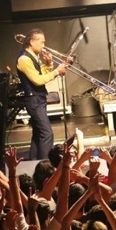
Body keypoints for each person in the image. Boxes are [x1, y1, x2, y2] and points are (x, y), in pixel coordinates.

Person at [16, 29, 67, 160]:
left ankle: (35, 162)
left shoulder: (33, 56)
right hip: (34, 100)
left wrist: (49, 64)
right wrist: (56, 71)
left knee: (38, 134)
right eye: (41, 42)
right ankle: (46, 163)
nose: (44, 46)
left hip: (39, 99)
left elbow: (42, 73)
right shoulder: (24, 59)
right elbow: (37, 80)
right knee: (47, 133)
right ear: (32, 42)